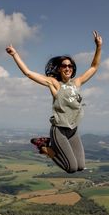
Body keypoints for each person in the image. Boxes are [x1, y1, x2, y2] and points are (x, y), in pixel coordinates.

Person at [6, 31, 102, 173]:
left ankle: (49, 147)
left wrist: (98, 47)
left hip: (73, 130)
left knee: (80, 167)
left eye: (70, 66)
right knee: (71, 168)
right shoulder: (54, 83)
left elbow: (94, 67)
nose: (67, 68)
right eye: (64, 66)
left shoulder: (77, 83)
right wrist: (15, 55)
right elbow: (28, 73)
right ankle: (44, 147)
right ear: (59, 68)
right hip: (60, 130)